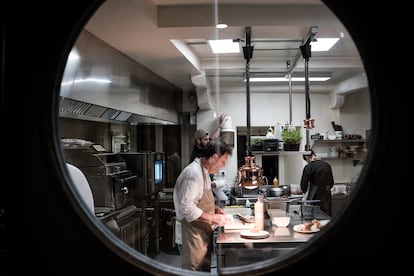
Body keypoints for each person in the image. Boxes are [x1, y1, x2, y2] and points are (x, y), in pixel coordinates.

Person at [173, 138, 233, 272]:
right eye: (223, 161)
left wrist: (215, 210)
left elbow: (199, 201)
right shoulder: (194, 174)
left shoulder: (204, 172)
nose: (223, 165)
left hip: (201, 234)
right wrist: (212, 218)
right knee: (194, 271)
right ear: (214, 158)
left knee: (202, 270)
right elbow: (187, 208)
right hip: (191, 235)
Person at [300, 150, 334, 216]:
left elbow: (303, 185)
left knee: (315, 215)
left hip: (315, 196)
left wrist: (304, 192)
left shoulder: (308, 167)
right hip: (327, 194)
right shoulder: (326, 165)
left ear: (307, 157)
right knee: (326, 215)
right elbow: (331, 182)